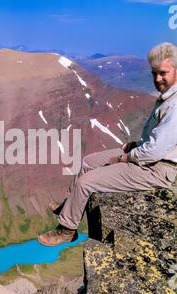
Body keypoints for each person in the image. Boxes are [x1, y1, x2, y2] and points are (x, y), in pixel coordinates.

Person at [38, 42, 177, 246]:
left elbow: (155, 152)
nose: (157, 79)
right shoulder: (167, 98)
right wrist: (136, 144)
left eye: (163, 73)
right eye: (154, 73)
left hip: (157, 169)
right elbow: (160, 141)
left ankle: (67, 229)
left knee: (86, 183)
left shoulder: (174, 106)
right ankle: (69, 205)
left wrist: (124, 157)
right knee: (88, 161)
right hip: (148, 157)